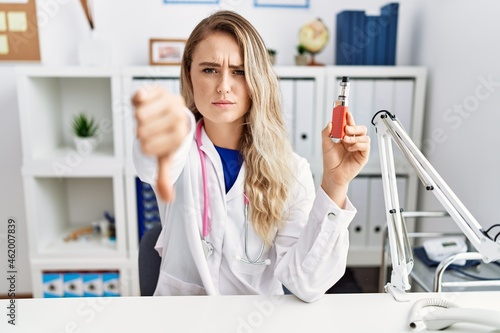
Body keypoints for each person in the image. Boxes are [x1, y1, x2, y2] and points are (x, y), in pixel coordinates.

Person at [132, 10, 370, 302]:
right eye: (209, 70)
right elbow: (151, 165)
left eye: (239, 71)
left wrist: (335, 183)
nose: (223, 86)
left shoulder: (291, 170)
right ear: (189, 75)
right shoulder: (178, 148)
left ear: (257, 80)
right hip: (182, 318)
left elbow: (306, 284)